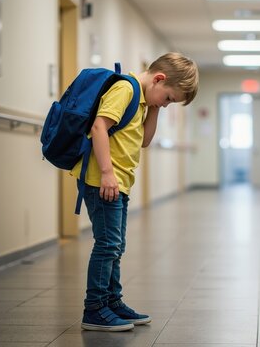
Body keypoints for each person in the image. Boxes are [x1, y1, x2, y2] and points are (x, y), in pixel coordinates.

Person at [72, 52, 199, 332]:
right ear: (159, 79)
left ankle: (112, 302)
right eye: (168, 99)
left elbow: (144, 140)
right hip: (102, 181)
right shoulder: (125, 89)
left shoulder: (143, 100)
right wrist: (106, 173)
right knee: (107, 245)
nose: (166, 105)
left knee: (116, 246)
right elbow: (99, 127)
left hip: (120, 183)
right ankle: (94, 309)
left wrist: (154, 108)